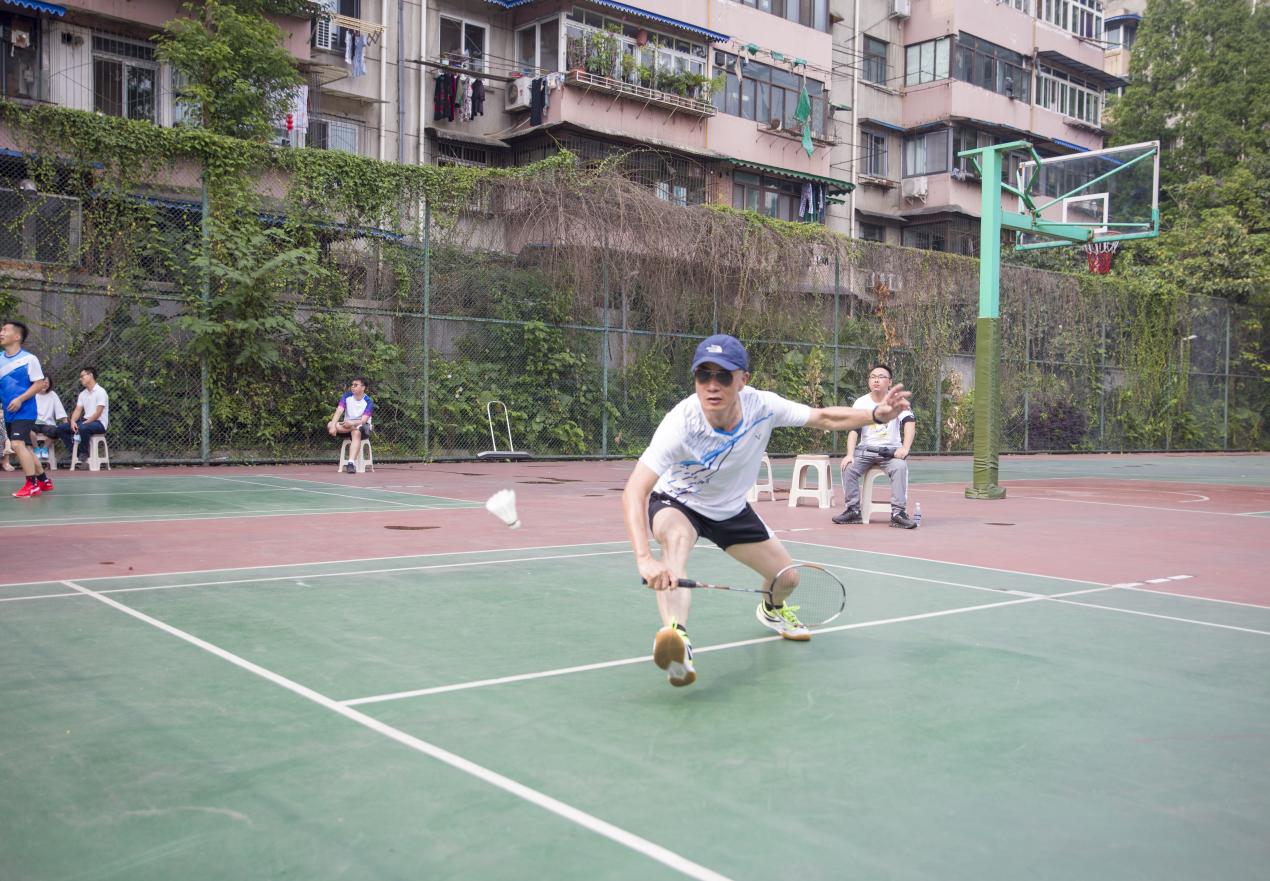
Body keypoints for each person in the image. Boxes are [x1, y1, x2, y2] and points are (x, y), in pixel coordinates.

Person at [622, 334, 911, 687]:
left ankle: (772, 610)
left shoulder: (763, 407)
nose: (712, 385)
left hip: (731, 510)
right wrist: (644, 559)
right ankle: (676, 640)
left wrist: (876, 414)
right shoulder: (681, 422)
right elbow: (635, 490)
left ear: (742, 379)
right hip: (679, 501)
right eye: (703, 375)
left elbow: (823, 417)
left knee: (787, 578)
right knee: (676, 541)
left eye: (723, 376)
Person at [832, 363, 918, 529]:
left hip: (891, 453)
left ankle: (898, 513)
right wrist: (849, 454)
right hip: (865, 451)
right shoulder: (861, 402)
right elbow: (854, 430)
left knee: (900, 467)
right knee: (848, 467)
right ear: (869, 381)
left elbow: (909, 422)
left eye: (881, 377)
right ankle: (853, 510)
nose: (876, 380)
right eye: (873, 377)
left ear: (890, 382)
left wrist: (905, 448)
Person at [0, 320, 54, 497]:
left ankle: (32, 484)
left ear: (17, 336)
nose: (1, 333)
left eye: (5, 330)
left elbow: (38, 384)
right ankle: (43, 480)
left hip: (25, 410)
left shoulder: (29, 359)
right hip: (9, 412)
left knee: (17, 444)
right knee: (26, 449)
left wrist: (20, 399)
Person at [52, 367, 109, 468]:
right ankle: (77, 454)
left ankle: (84, 453)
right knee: (61, 428)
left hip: (99, 423)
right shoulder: (83, 394)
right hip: (86, 422)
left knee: (83, 427)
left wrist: (85, 422)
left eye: (82, 376)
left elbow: (98, 413)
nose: (80, 379)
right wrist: (73, 421)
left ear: (90, 375)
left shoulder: (101, 392)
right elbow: (78, 410)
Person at [327, 377, 374, 473]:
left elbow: (363, 420)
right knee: (329, 424)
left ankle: (350, 464)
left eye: (355, 385)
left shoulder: (369, 401)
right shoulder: (346, 396)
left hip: (362, 428)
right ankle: (350, 428)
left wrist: (352, 423)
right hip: (346, 427)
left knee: (356, 432)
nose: (352, 387)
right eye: (352, 385)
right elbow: (339, 411)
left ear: (363, 387)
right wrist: (333, 426)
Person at [32, 377, 68, 463]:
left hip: (48, 424)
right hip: (34, 422)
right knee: (28, 429)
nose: (44, 384)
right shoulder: (32, 394)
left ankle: (45, 449)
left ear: (49, 384)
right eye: (42, 382)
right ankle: (36, 449)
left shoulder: (53, 395)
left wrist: (65, 423)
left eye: (46, 382)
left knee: (55, 430)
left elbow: (60, 409)